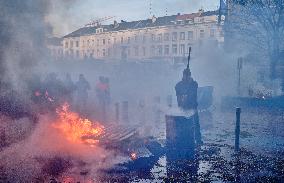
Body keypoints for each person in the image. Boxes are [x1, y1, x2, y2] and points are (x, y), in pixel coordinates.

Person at [175, 67, 203, 145]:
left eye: (188, 76)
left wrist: (189, 83)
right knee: (184, 126)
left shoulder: (194, 84)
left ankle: (198, 141)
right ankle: (185, 141)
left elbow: (193, 90)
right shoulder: (178, 85)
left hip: (193, 108)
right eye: (185, 76)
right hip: (183, 109)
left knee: (196, 125)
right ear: (183, 75)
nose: (186, 77)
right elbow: (178, 92)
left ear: (190, 76)